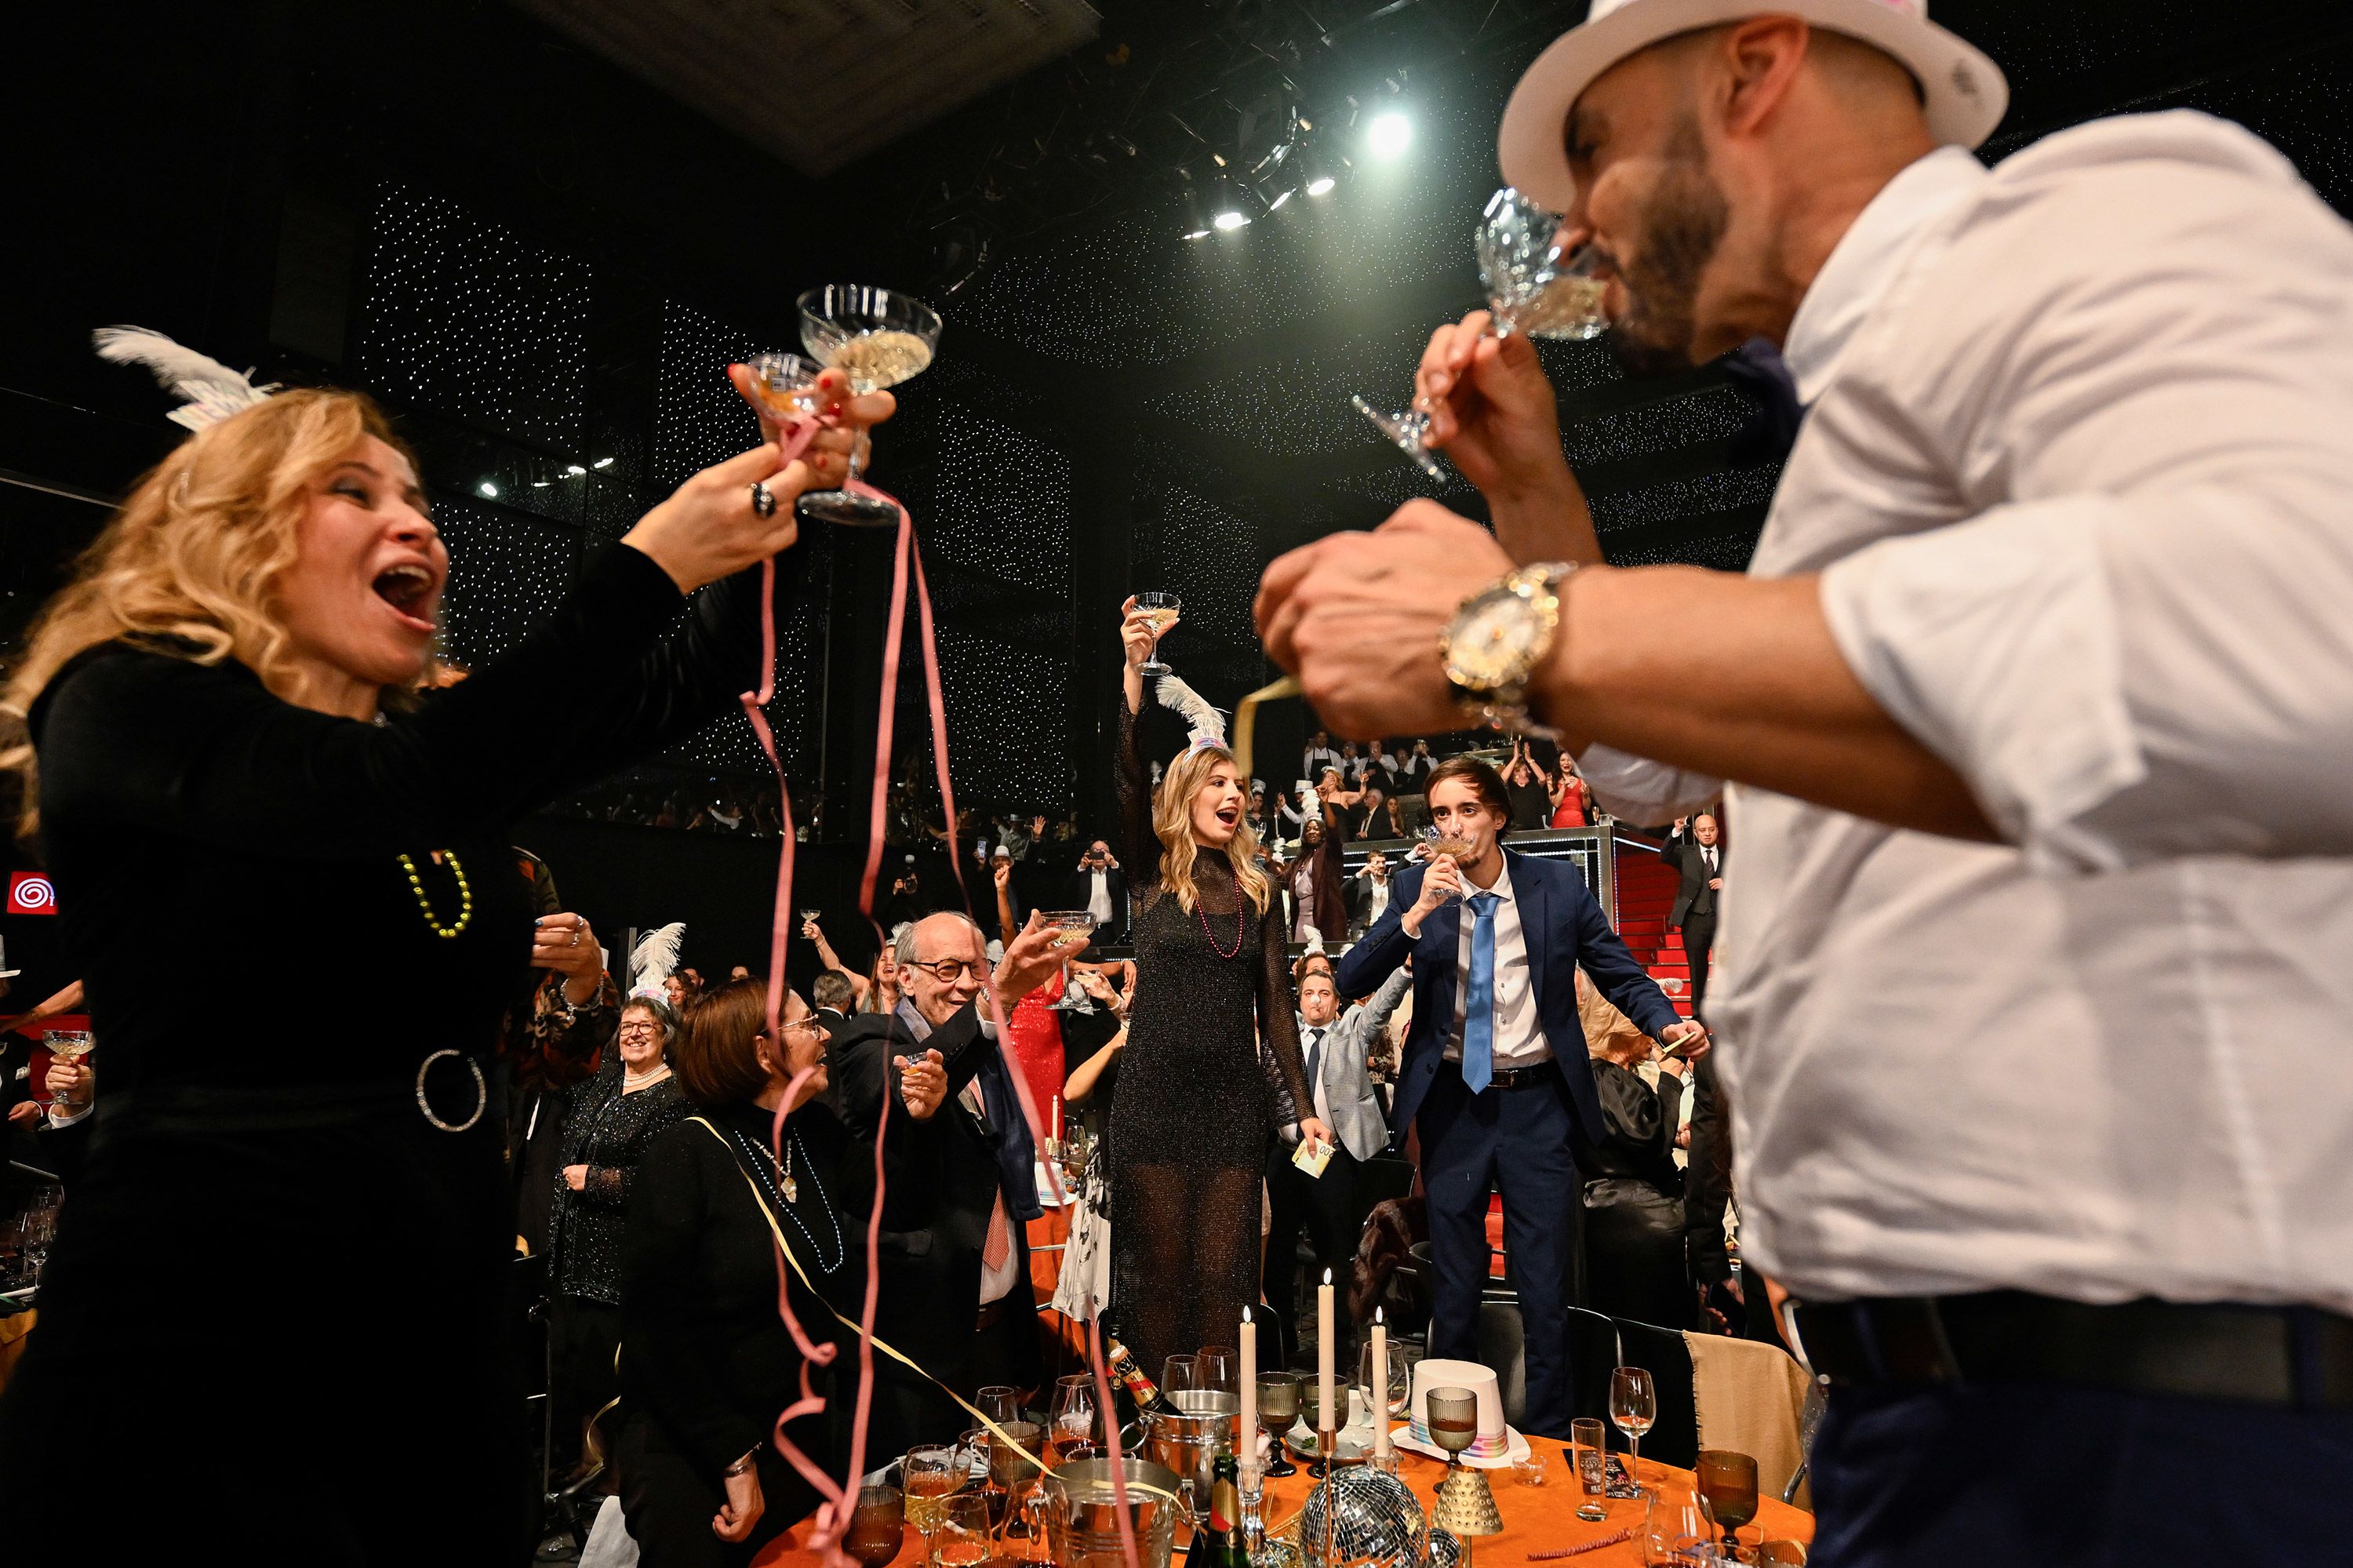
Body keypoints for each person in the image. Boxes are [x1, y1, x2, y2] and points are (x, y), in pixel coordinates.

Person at [1257, 2, 2353, 1559]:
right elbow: (1659, 763)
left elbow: (2284, 637)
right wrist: (1538, 506)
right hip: (1938, 1408)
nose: (1575, 217)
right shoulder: (1856, 440)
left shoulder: (2109, 210)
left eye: (1594, 145)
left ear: (1752, 68)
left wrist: (1509, 627)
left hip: (2161, 1417)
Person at [0, 358, 886, 1557]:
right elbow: (380, 792)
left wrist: (780, 511)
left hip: (434, 1324)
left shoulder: (421, 749)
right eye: (356, 491)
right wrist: (649, 562)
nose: (417, 519)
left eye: (416, 496)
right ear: (233, 535)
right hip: (214, 1329)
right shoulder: (120, 704)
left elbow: (686, 678)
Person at [1333, 758, 1702, 1437]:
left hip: (1537, 1106)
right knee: (1456, 1283)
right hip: (1454, 1105)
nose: (1453, 827)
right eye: (1440, 814)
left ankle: (1555, 1441)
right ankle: (1451, 1437)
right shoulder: (1419, 886)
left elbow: (1619, 969)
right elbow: (1350, 975)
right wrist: (1415, 914)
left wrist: (1664, 1021)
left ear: (1499, 816)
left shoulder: (1554, 887)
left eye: (1467, 811)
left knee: (1546, 1288)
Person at [619, 980, 944, 1567]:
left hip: (798, 1438)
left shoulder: (810, 1130)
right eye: (806, 1023)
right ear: (763, 1052)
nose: (825, 1032)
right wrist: (733, 1458)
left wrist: (920, 1124)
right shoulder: (683, 1153)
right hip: (697, 1449)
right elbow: (653, 1336)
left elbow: (900, 1207)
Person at [1113, 598, 1327, 1388]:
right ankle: (1155, 1439)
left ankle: (1215, 1444)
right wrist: (1134, 673)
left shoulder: (1260, 887)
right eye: (1219, 782)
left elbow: (1276, 1006)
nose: (1235, 794)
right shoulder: (1149, 871)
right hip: (1155, 1099)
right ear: (1188, 793)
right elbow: (1129, 771)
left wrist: (1301, 1106)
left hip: (1234, 1104)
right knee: (1162, 1280)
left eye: (1240, 783)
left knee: (1224, 1284)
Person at [821, 911, 1066, 1455]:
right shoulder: (867, 1041)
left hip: (996, 1337)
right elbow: (912, 1074)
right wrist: (992, 998)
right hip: (918, 1351)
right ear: (904, 976)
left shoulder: (991, 1052)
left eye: (977, 968)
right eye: (948, 967)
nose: (966, 982)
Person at [548, 995, 689, 1483]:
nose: (633, 1033)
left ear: (666, 1036)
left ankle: (617, 1488)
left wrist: (601, 1180)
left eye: (646, 1026)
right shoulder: (601, 1088)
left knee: (614, 1379)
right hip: (573, 1260)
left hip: (620, 1264)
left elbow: (667, 1184)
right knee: (578, 1370)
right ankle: (589, 1468)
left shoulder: (677, 1098)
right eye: (627, 1025)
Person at [1262, 965, 1409, 1370]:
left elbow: (1381, 1007)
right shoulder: (1284, 1034)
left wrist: (1405, 971)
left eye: (1323, 993)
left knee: (1335, 1253)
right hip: (1286, 1155)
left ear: (1336, 1001)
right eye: (1308, 992)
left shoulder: (1351, 1032)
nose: (1315, 1000)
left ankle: (1338, 1350)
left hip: (1335, 1159)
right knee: (1276, 1255)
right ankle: (1281, 1345)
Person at [1581, 1003, 1692, 1330]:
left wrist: (1672, 1134)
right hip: (1634, 1221)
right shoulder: (1605, 1075)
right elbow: (1646, 1138)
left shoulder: (1610, 1076)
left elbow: (1625, 1136)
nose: (1656, 1036)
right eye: (1647, 1025)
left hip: (1626, 1214)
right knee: (1650, 1327)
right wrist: (1671, 1080)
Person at [1657, 813, 1725, 1016]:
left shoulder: (1729, 854)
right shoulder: (1686, 854)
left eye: (1711, 829)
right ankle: (1699, 1016)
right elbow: (1664, 855)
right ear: (1695, 833)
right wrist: (1677, 830)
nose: (1707, 834)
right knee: (1697, 971)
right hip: (1694, 920)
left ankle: (1727, 1014)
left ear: (1717, 831)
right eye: (1702, 830)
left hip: (1722, 920)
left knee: (1728, 969)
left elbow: (1745, 878)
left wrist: (1727, 883)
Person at [1064, 839, 1129, 944]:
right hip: (1085, 931)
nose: (1099, 855)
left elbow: (1129, 884)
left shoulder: (1115, 875)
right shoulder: (1082, 875)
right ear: (1089, 854)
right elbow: (1067, 890)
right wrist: (1080, 868)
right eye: (1096, 851)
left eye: (1103, 852)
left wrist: (1114, 864)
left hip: (1111, 931)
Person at [1345, 848, 1397, 940]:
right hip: (1363, 930)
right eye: (1377, 862)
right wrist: (1361, 873)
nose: (1381, 866)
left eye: (1383, 862)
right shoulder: (1362, 881)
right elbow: (1343, 890)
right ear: (1369, 864)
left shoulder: (1392, 883)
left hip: (1386, 928)